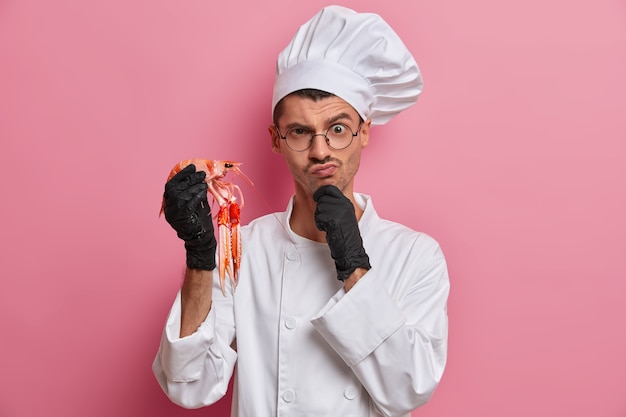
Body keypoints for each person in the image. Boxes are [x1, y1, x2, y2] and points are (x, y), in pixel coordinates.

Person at [153, 5, 450, 417]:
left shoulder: (416, 255)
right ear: (276, 139)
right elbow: (189, 386)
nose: (320, 150)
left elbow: (407, 390)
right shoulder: (245, 249)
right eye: (299, 132)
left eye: (339, 129)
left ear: (365, 132)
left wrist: (352, 262)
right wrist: (202, 257)